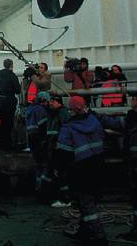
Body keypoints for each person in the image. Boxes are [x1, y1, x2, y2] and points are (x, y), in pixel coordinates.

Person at [99, 90, 137, 242]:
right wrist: (98, 116)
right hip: (134, 164)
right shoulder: (133, 118)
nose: (131, 100)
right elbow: (116, 124)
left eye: (134, 98)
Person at [56, 96, 107, 245]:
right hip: (98, 166)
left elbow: (63, 154)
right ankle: (84, 232)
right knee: (89, 202)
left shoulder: (68, 128)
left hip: (80, 170)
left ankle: (99, 237)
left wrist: (59, 171)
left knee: (86, 204)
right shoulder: (95, 121)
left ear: (70, 109)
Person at [45, 94, 71, 206]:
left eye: (53, 101)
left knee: (61, 173)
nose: (50, 103)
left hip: (60, 148)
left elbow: (66, 129)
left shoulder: (62, 113)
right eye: (50, 101)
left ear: (59, 102)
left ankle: (65, 199)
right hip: (53, 147)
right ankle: (61, 197)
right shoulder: (53, 114)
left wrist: (58, 144)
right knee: (57, 173)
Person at [0, 59, 21, 150]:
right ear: (11, 65)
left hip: (0, 102)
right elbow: (18, 90)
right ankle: (8, 145)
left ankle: (2, 144)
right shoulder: (12, 76)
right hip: (9, 102)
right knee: (9, 124)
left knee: (1, 124)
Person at [25, 91, 49, 191]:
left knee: (38, 164)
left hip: (31, 139)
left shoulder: (29, 109)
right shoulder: (40, 110)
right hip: (39, 139)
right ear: (43, 100)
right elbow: (43, 126)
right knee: (44, 164)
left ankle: (37, 186)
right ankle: (43, 188)